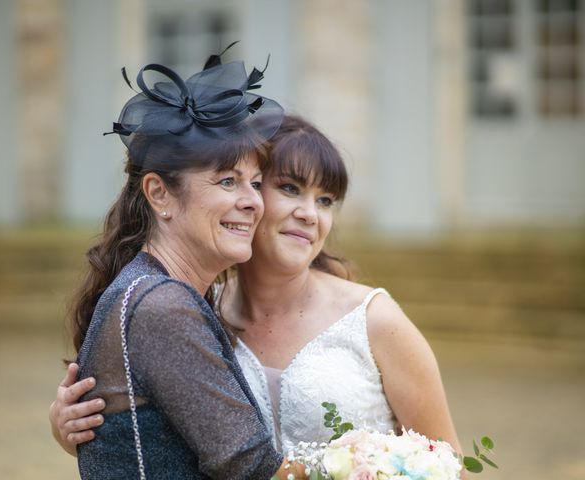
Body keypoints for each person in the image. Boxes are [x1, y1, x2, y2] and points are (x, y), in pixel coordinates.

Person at [51, 115, 463, 474]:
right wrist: (79, 429)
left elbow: (446, 464)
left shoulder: (374, 318)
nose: (309, 213)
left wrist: (373, 469)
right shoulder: (194, 307)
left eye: (325, 200)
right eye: (288, 188)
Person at [58, 46, 308, 480]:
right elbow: (252, 469)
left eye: (256, 183)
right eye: (228, 181)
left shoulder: (157, 292)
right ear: (159, 194)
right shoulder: (161, 307)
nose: (251, 202)